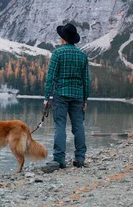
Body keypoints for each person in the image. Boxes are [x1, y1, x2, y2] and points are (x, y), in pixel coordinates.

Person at [41, 23, 91, 173]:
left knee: (60, 126)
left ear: (63, 38)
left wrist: (46, 98)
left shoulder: (57, 53)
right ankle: (80, 158)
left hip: (61, 95)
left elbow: (51, 77)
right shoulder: (82, 56)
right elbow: (86, 80)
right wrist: (85, 99)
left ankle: (59, 159)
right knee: (78, 126)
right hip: (77, 95)